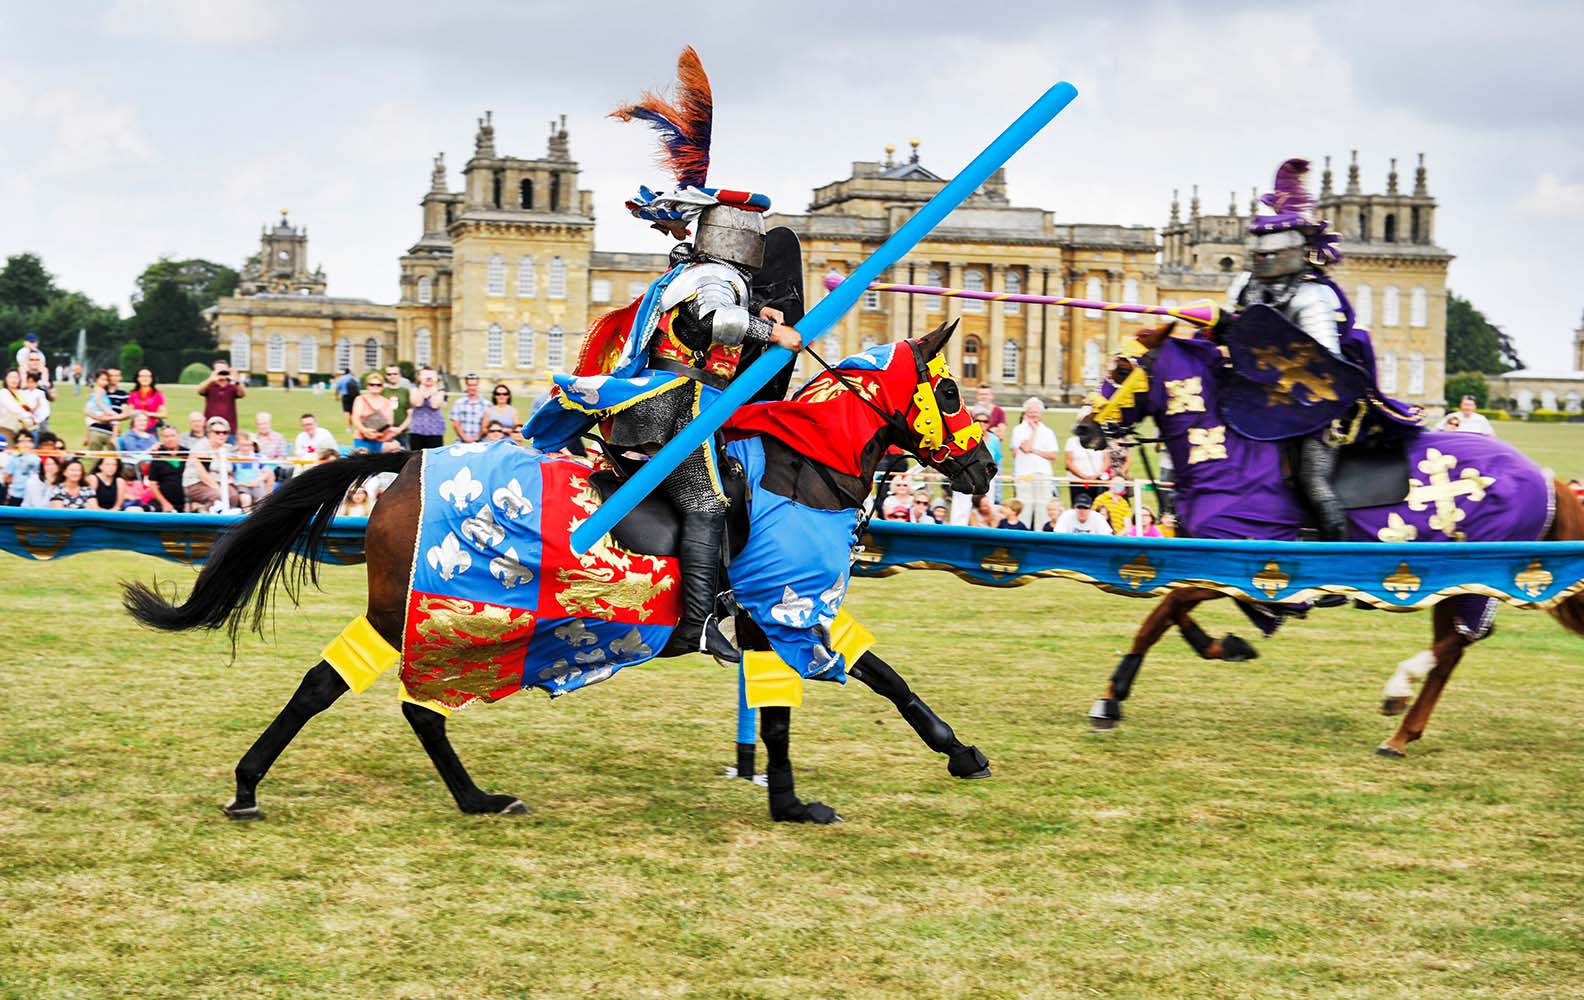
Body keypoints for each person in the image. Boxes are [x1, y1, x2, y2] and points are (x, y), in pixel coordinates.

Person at [522, 51, 804, 661]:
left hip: (669, 402)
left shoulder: (694, 274)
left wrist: (763, 318)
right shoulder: (714, 278)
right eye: (751, 232)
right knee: (707, 503)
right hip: (679, 405)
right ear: (733, 235)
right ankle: (696, 623)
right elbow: (714, 322)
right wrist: (770, 333)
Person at [1010, 397, 1060, 529]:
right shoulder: (1018, 429)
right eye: (1030, 412)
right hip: (1024, 473)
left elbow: (1053, 455)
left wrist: (1034, 450)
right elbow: (1025, 448)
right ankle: (1023, 535)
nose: (1033, 415)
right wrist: (1033, 431)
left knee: (1042, 508)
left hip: (1043, 473)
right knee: (1025, 507)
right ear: (1025, 413)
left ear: (1041, 413)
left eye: (1036, 412)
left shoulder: (1048, 432)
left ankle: (1041, 535)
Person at [184, 416, 250, 511]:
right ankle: (202, 512)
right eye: (217, 432)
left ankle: (225, 517)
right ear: (209, 433)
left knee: (234, 497)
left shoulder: (227, 448)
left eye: (225, 432)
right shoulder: (201, 447)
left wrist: (231, 479)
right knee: (219, 496)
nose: (221, 435)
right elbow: (202, 473)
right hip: (197, 483)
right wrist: (219, 489)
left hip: (221, 482)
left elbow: (231, 468)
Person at [1063, 416, 1107, 510]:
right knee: (1078, 507)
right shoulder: (1071, 441)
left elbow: (1106, 460)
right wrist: (1084, 477)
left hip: (1097, 480)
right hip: (1077, 481)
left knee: (1097, 507)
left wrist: (1097, 474)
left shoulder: (1100, 440)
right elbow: (1068, 462)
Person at [197, 361, 245, 441]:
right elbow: (199, 391)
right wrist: (211, 379)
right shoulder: (210, 385)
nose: (222, 372)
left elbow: (242, 394)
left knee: (229, 447)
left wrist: (237, 381)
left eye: (223, 369)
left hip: (229, 427)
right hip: (211, 427)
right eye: (219, 369)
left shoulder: (232, 386)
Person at [82, 369, 119, 473]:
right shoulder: (100, 390)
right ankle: (114, 436)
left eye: (106, 380)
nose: (105, 382)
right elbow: (98, 403)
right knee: (116, 419)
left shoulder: (97, 390)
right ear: (96, 380)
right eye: (102, 379)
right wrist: (108, 412)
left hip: (94, 414)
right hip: (98, 411)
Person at [350, 373, 397, 453]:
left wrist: (378, 434)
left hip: (381, 439)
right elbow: (355, 418)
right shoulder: (360, 399)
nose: (375, 386)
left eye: (378, 385)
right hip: (362, 438)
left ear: (382, 387)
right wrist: (365, 430)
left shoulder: (387, 402)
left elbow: (390, 421)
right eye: (372, 384)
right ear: (367, 386)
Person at [144, 425, 186, 512]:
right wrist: (164, 503)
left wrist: (188, 502)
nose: (170, 439)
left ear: (178, 436)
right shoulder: (157, 456)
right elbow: (153, 484)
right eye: (166, 436)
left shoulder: (187, 453)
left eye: (172, 436)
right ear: (162, 439)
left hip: (185, 502)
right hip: (163, 502)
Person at [407, 366, 447, 449]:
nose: (429, 378)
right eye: (425, 375)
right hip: (417, 430)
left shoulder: (440, 392)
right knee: (416, 455)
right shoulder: (414, 390)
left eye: (431, 375)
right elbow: (418, 403)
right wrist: (423, 387)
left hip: (435, 431)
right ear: (419, 377)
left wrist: (433, 388)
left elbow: (434, 405)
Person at [229, 434, 275, 503]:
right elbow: (230, 472)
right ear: (238, 444)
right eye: (243, 445)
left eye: (249, 445)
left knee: (261, 501)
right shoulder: (234, 458)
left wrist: (258, 480)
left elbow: (267, 472)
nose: (246, 448)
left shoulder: (257, 457)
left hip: (256, 484)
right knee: (245, 499)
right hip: (241, 485)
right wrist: (234, 481)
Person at [253, 412, 291, 483]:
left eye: (265, 424)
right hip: (256, 470)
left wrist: (269, 464)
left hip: (274, 469)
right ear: (256, 425)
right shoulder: (253, 438)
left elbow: (282, 457)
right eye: (260, 424)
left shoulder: (278, 437)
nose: (263, 426)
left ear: (270, 423)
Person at [448, 374, 487, 444]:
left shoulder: (487, 404)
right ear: (466, 385)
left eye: (474, 385)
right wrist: (465, 438)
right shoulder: (458, 403)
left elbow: (486, 425)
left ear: (478, 385)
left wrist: (476, 438)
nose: (472, 388)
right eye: (469, 385)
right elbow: (456, 424)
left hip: (480, 443)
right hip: (461, 442)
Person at [2, 433, 39, 506]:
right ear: (17, 444)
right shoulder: (13, 458)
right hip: (16, 494)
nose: (25, 444)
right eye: (22, 441)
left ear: (33, 444)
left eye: (28, 441)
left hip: (32, 494)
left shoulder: (37, 459)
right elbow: (7, 477)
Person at [0, 368, 34, 444]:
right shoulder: (3, 393)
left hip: (20, 432)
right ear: (5, 379)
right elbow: (13, 408)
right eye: (11, 377)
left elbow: (29, 408)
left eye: (16, 377)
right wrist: (27, 418)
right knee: (7, 450)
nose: (14, 380)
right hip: (4, 430)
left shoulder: (22, 394)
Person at [382, 365, 412, 447]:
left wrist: (400, 429)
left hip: (403, 432)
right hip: (384, 431)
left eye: (395, 374)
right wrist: (388, 428)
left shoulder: (405, 391)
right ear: (386, 376)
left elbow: (410, 414)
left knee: (404, 454)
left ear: (400, 375)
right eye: (389, 374)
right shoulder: (382, 391)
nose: (392, 376)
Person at [21, 370, 51, 438]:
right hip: (29, 416)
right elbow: (23, 403)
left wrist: (32, 410)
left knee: (43, 433)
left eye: (33, 382)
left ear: (37, 383)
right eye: (28, 382)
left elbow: (39, 404)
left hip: (40, 416)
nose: (30, 384)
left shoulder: (39, 392)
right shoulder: (24, 392)